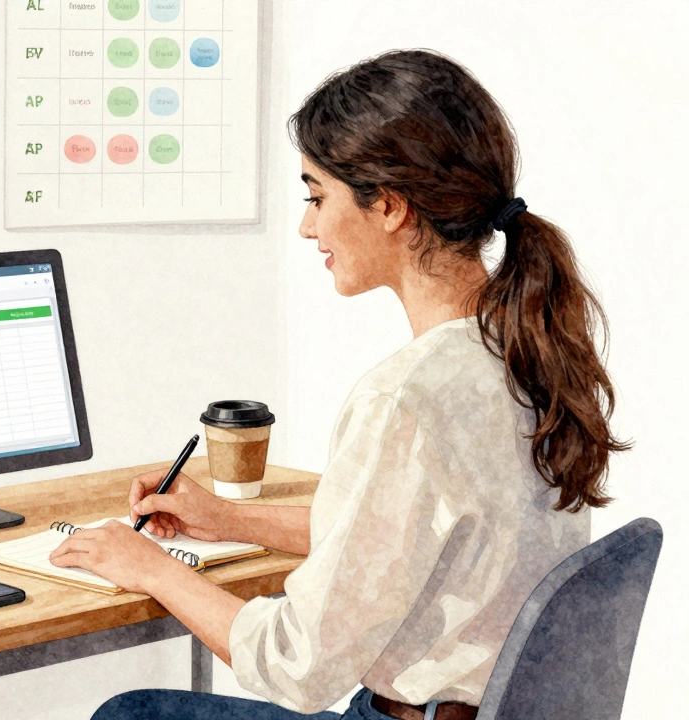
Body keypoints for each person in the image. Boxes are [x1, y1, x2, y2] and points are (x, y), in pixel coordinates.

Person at [48, 49, 629, 720]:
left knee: (135, 715)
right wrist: (230, 519)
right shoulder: (525, 352)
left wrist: (149, 567)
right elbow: (401, 544)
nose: (306, 225)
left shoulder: (406, 398)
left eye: (316, 196)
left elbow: (297, 668)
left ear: (388, 206)